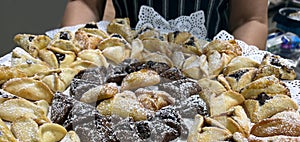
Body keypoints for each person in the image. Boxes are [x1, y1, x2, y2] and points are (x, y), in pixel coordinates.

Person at [61, 0, 269, 50]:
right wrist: (72, 55)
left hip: (212, 76)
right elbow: (86, 3)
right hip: (121, 71)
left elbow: (249, 20)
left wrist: (235, 77)